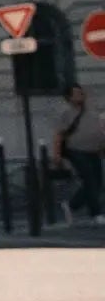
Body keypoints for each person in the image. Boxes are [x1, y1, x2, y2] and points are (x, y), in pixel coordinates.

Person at [52, 82, 104, 225]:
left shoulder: (91, 109)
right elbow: (59, 135)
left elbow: (99, 128)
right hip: (76, 150)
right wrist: (56, 155)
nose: (81, 95)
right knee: (89, 179)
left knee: (97, 183)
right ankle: (96, 213)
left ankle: (72, 205)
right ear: (69, 97)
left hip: (94, 150)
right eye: (76, 93)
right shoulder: (66, 112)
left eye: (81, 92)